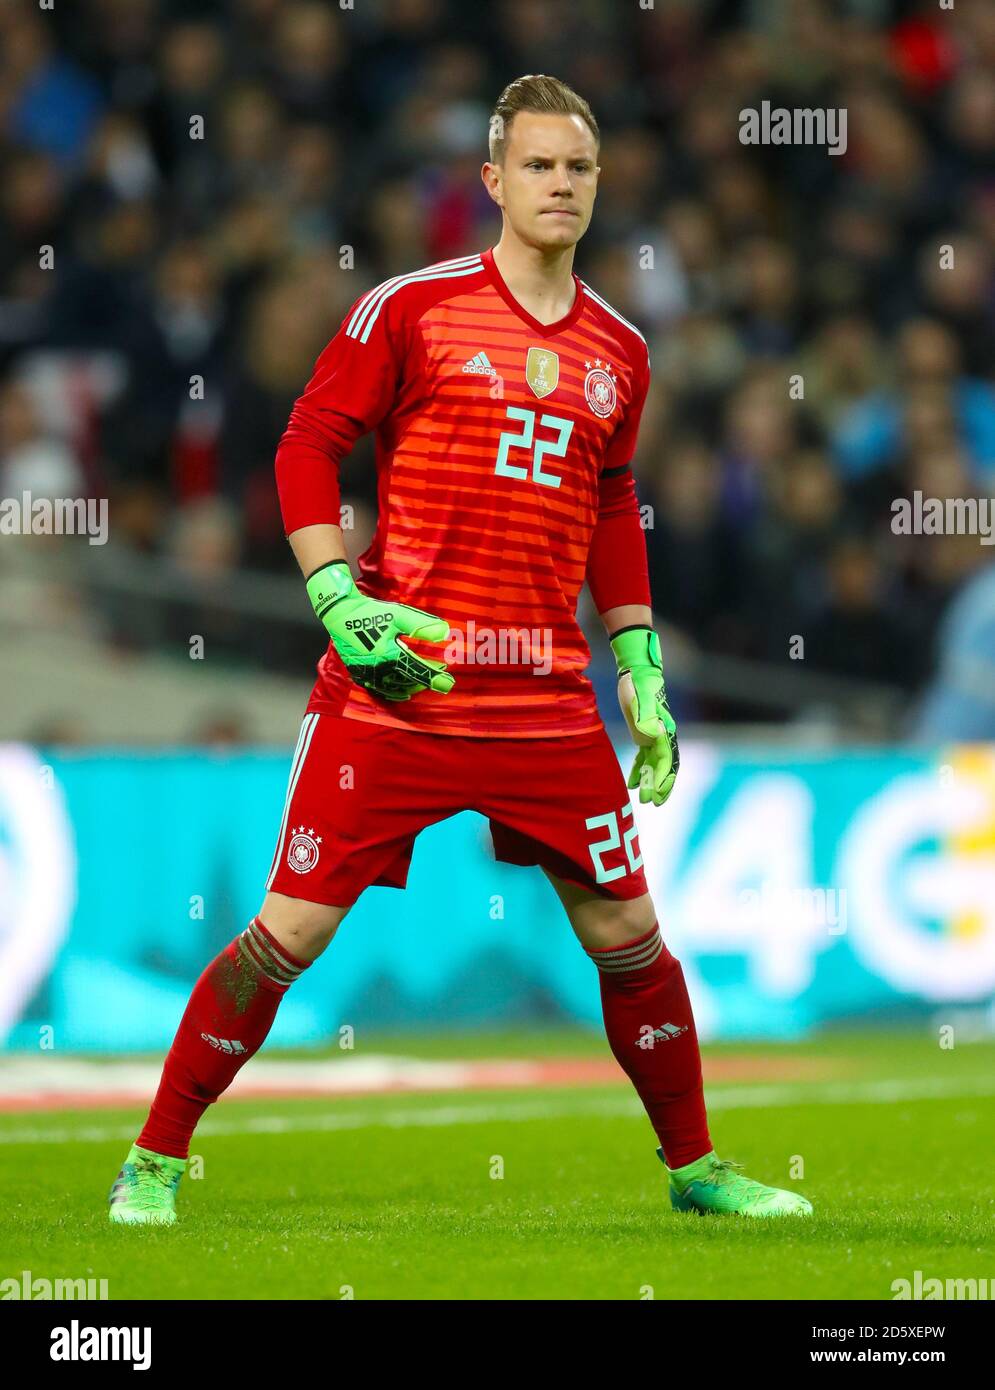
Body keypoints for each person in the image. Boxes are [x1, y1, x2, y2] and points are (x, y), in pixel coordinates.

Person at [108, 74, 812, 1225]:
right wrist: (334, 592)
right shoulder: (411, 308)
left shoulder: (620, 352)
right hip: (399, 686)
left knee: (629, 934)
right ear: (492, 180)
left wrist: (636, 664)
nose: (560, 186)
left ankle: (695, 1171)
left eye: (578, 168)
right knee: (289, 931)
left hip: (543, 695)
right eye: (537, 166)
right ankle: (153, 1158)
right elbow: (305, 441)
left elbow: (608, 501)